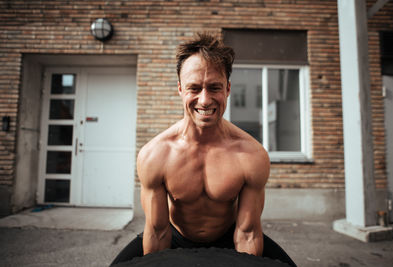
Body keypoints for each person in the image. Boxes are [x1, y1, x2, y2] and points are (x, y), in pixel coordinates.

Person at [110, 33, 296, 267]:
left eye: (214, 87)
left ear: (228, 89)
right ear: (180, 89)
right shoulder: (156, 154)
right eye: (194, 88)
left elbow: (247, 234)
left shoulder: (251, 155)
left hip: (231, 238)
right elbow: (158, 233)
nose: (205, 100)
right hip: (175, 238)